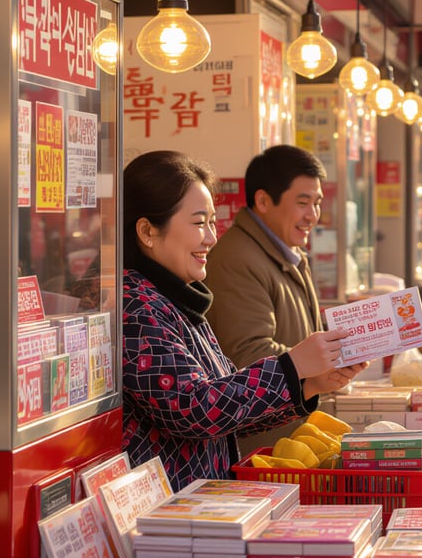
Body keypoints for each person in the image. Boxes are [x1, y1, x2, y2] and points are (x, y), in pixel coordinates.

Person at [121, 150, 365, 491]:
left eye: (211, 221)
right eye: (198, 223)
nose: (211, 237)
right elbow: (193, 409)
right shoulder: (134, 306)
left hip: (201, 506)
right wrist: (293, 367)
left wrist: (309, 384)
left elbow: (225, 410)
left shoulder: (177, 299)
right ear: (147, 231)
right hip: (170, 516)